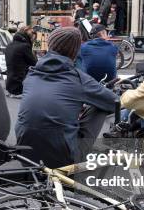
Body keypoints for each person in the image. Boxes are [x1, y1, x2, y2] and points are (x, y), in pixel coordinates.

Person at [15, 27, 117, 168]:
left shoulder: (31, 74)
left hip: (25, 155)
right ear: (75, 51)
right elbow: (114, 103)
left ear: (50, 45)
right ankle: (80, 153)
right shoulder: (79, 79)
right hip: (64, 159)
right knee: (100, 106)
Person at [5, 25, 37, 97]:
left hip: (11, 85)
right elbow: (34, 63)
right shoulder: (24, 46)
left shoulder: (10, 45)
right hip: (20, 86)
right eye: (32, 38)